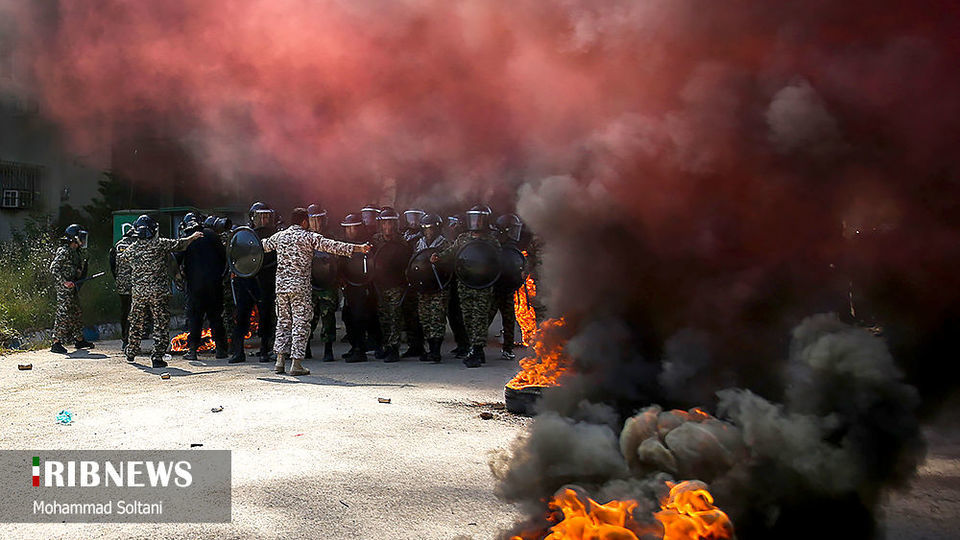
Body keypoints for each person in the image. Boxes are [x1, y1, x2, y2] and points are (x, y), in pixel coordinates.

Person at [262, 207, 370, 375]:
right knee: (300, 323)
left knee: (283, 322)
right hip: (300, 287)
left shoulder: (279, 236)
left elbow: (261, 246)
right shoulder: (308, 237)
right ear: (304, 222)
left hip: (281, 288)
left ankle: (279, 361)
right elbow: (333, 246)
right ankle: (296, 364)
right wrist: (359, 248)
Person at [120, 215, 203, 368]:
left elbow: (122, 259)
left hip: (138, 293)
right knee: (160, 324)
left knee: (136, 323)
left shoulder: (131, 249)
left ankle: (131, 352)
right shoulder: (159, 244)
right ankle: (157, 357)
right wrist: (194, 236)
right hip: (158, 293)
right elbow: (180, 244)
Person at [431, 205, 501, 367]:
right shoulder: (463, 238)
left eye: (480, 219)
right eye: (474, 218)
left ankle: (477, 350)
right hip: (465, 282)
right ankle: (474, 347)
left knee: (479, 316)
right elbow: (452, 252)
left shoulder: (491, 240)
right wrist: (438, 258)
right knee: (468, 317)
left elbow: (496, 263)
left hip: (483, 284)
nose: (476, 222)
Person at [228, 202, 278, 364]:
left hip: (266, 282)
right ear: (252, 218)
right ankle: (238, 352)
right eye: (259, 216)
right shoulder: (245, 235)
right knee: (242, 317)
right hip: (246, 282)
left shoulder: (275, 236)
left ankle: (265, 350)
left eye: (266, 216)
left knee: (266, 318)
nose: (263, 220)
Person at [179, 214, 228, 361]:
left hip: (195, 286)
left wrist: (180, 278)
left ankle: (193, 351)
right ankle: (221, 350)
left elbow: (176, 261)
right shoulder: (211, 234)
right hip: (214, 284)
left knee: (195, 318)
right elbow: (224, 256)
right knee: (216, 317)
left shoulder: (187, 239)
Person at [370, 207, 413, 363]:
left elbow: (408, 263)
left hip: (397, 284)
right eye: (385, 223)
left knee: (395, 316)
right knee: (384, 317)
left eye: (391, 223)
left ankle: (394, 348)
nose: (387, 227)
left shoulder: (403, 242)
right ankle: (387, 345)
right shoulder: (375, 240)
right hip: (379, 284)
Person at [49, 224, 94, 354]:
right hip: (65, 289)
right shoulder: (64, 251)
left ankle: (79, 339)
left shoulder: (75, 252)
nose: (83, 240)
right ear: (73, 238)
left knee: (76, 312)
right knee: (63, 314)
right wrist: (64, 282)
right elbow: (54, 268)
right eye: (80, 237)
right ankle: (56, 342)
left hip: (72, 287)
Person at [339, 213, 377, 362]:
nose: (351, 232)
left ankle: (360, 349)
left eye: (354, 228)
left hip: (363, 287)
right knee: (348, 317)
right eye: (348, 228)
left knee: (359, 318)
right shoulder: (345, 245)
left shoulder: (366, 245)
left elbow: (372, 267)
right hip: (349, 286)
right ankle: (354, 345)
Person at [305, 203, 339, 362]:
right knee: (307, 317)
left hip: (327, 284)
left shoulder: (330, 238)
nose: (316, 224)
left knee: (328, 317)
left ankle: (328, 348)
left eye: (319, 220)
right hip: (309, 284)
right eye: (313, 220)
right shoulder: (304, 239)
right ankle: (306, 347)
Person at [415, 213, 450, 363]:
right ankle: (430, 348)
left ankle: (436, 351)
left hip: (439, 286)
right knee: (425, 318)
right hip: (423, 286)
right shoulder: (419, 244)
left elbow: (450, 266)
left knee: (437, 317)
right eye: (426, 229)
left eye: (431, 229)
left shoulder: (444, 244)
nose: (429, 232)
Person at [490, 214, 524, 360]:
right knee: (485, 318)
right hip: (494, 288)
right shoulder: (493, 245)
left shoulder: (511, 248)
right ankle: (475, 346)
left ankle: (508, 348)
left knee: (509, 319)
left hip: (507, 288)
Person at [444, 215, 470, 357]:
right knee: (452, 315)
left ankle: (467, 345)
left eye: (455, 224)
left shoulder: (466, 240)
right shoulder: (452, 242)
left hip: (464, 282)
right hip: (452, 282)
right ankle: (460, 344)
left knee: (463, 316)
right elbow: (448, 254)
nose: (452, 227)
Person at [109, 226, 137, 350]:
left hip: (121, 284)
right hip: (134, 284)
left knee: (124, 311)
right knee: (135, 311)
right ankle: (131, 338)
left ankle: (124, 339)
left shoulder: (117, 245)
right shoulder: (135, 245)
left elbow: (112, 264)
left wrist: (118, 279)